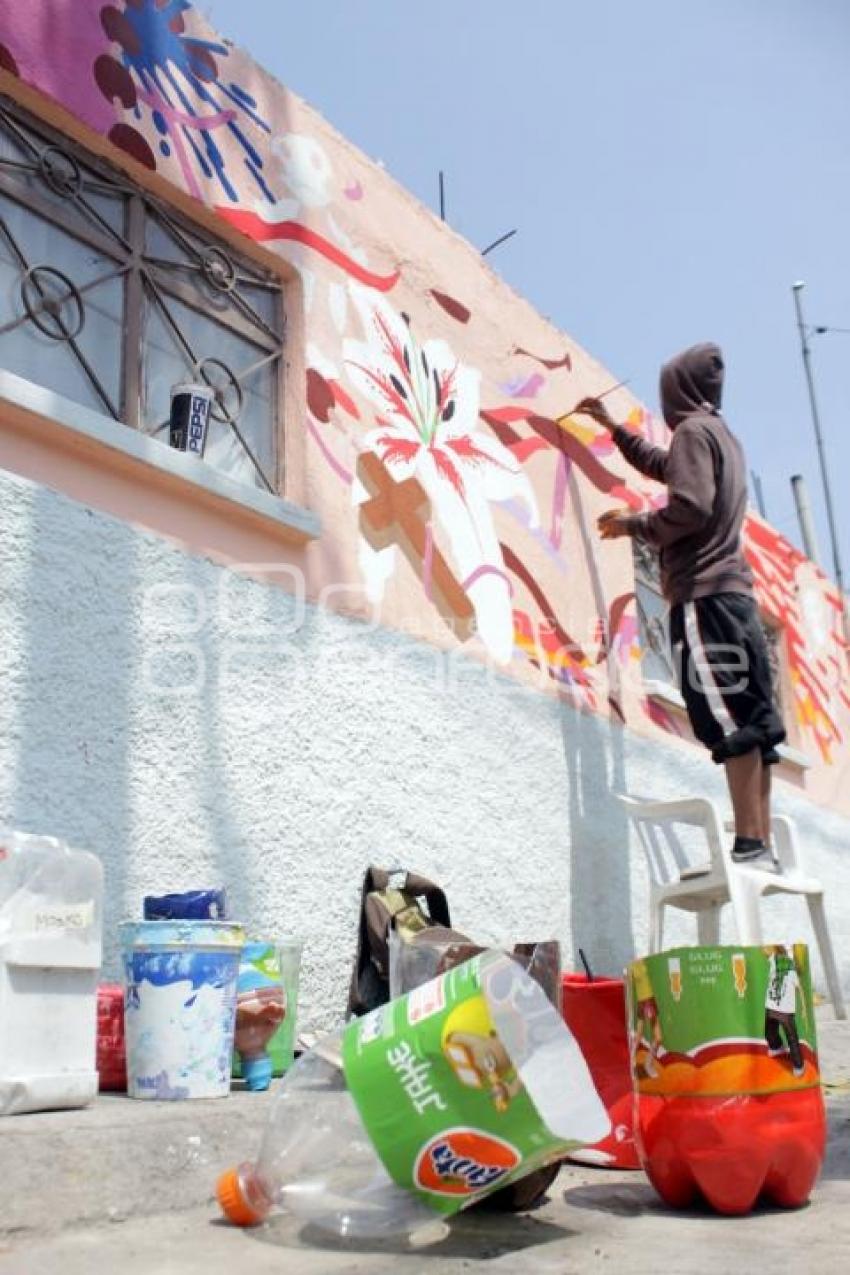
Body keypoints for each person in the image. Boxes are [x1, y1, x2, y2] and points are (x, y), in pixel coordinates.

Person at [577, 343, 785, 869]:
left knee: (728, 716)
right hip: (735, 596)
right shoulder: (722, 437)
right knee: (754, 718)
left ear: (678, 391)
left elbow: (689, 506)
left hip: (703, 595)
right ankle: (761, 847)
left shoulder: (692, 432)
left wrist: (637, 525)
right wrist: (614, 429)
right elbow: (669, 468)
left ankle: (749, 844)